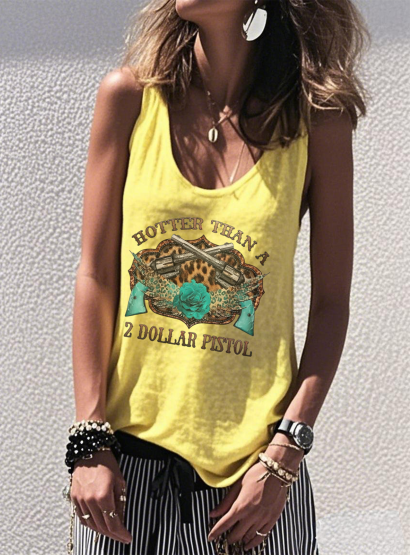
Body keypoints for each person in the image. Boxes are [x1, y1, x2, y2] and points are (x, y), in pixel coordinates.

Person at [65, 0, 370, 554]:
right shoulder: (129, 98)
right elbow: (95, 274)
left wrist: (283, 458)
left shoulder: (317, 122)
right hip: (123, 480)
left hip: (253, 490)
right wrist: (88, 439)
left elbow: (332, 303)